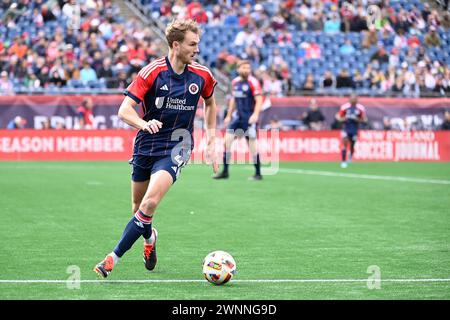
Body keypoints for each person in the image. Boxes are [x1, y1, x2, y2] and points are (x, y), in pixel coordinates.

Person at [93, 19, 219, 278]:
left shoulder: (203, 75)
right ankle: (149, 240)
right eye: (192, 44)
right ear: (176, 45)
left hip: (178, 145)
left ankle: (111, 259)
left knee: (149, 203)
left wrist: (212, 138)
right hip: (146, 144)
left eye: (198, 44)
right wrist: (143, 122)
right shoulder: (152, 71)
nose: (197, 49)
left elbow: (211, 103)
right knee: (138, 208)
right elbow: (124, 110)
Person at [213, 59, 263, 181]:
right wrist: (229, 115)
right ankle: (225, 172)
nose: (246, 70)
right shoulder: (235, 82)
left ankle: (258, 173)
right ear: (238, 69)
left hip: (249, 120)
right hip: (237, 118)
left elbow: (259, 100)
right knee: (226, 142)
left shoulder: (253, 82)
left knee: (252, 146)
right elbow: (234, 100)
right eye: (243, 68)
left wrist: (255, 114)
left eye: (248, 68)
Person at [335, 94, 367, 168]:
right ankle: (343, 161)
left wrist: (357, 119)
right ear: (349, 99)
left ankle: (350, 156)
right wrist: (344, 118)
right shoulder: (345, 107)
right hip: (346, 128)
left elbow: (364, 119)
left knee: (352, 144)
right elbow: (339, 117)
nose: (353, 100)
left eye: (354, 99)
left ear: (357, 100)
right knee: (345, 143)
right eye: (352, 99)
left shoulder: (360, 108)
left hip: (354, 128)